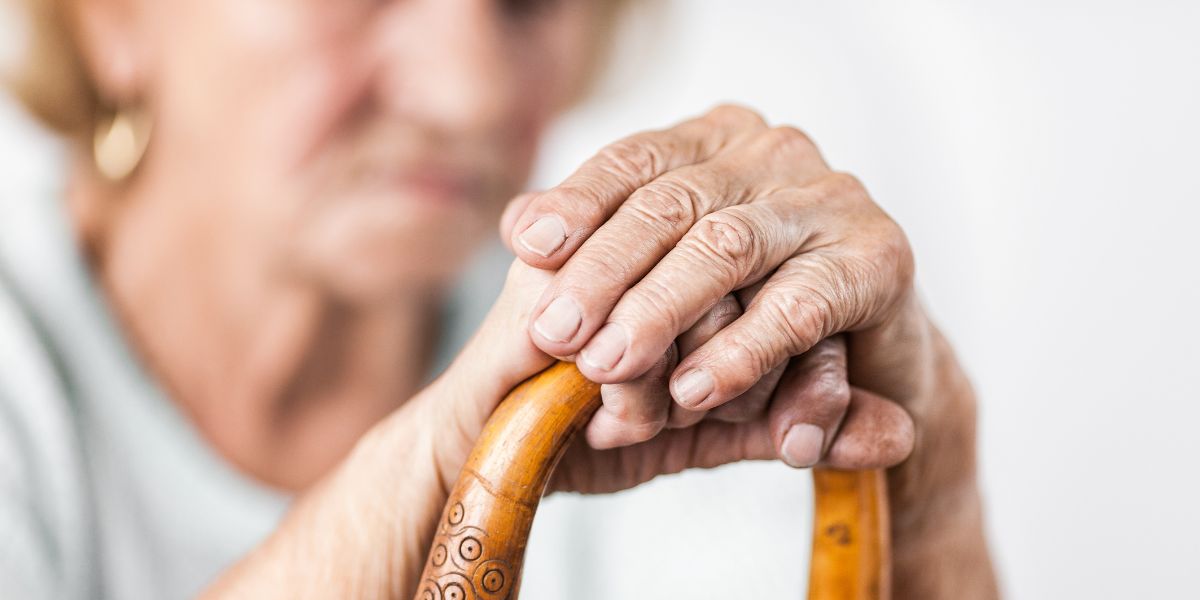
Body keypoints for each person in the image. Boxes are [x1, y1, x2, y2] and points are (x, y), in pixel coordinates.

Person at [0, 0, 997, 597]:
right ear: (112, 14)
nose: (469, 94)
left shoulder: (679, 356)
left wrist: (930, 497)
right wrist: (420, 471)